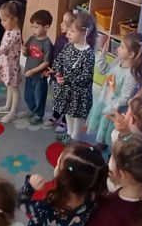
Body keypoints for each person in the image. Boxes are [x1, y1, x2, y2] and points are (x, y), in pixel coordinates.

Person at [87, 32, 142, 146]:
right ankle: (100, 144)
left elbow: (125, 98)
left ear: (131, 54)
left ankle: (105, 147)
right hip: (104, 101)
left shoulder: (131, 76)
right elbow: (103, 70)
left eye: (122, 47)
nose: (118, 48)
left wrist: (110, 108)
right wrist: (102, 54)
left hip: (114, 110)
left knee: (109, 133)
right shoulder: (119, 61)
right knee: (101, 129)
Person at [50, 10, 96, 143]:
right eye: (69, 30)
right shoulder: (69, 46)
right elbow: (59, 61)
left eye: (72, 31)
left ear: (84, 32)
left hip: (78, 94)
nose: (68, 34)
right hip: (66, 90)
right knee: (68, 113)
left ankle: (75, 138)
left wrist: (68, 79)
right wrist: (58, 73)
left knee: (77, 118)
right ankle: (69, 134)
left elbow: (86, 77)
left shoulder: (88, 54)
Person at [21, 10, 53, 124]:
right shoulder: (31, 39)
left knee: (39, 96)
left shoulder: (47, 44)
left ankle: (39, 114)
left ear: (46, 27)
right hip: (29, 73)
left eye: (36, 27)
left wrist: (33, 71)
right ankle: (33, 110)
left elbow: (46, 62)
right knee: (27, 95)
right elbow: (27, 54)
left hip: (39, 76)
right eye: (32, 27)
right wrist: (24, 51)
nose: (33, 30)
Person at [45, 10, 75, 130]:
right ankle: (56, 115)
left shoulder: (74, 44)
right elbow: (54, 54)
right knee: (57, 96)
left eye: (65, 23)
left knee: (67, 98)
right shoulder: (60, 38)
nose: (61, 24)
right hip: (56, 74)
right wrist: (50, 69)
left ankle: (65, 120)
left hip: (66, 78)